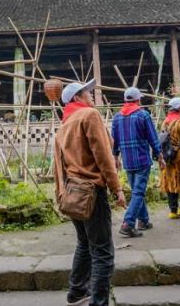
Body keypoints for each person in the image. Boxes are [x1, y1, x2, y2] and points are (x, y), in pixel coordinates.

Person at [54, 79, 126, 306]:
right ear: (77, 98)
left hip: (72, 193)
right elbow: (103, 157)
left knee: (84, 243)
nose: (92, 96)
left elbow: (58, 167)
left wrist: (61, 195)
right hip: (92, 191)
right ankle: (99, 302)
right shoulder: (89, 116)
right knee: (103, 252)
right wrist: (117, 189)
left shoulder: (63, 126)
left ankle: (76, 292)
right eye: (87, 93)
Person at [112, 87, 163, 237]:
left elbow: (114, 141)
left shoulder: (117, 117)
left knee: (136, 191)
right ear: (137, 100)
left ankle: (144, 221)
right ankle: (128, 223)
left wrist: (115, 157)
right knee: (138, 192)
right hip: (141, 159)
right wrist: (159, 155)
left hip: (128, 161)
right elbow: (153, 138)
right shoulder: (143, 115)